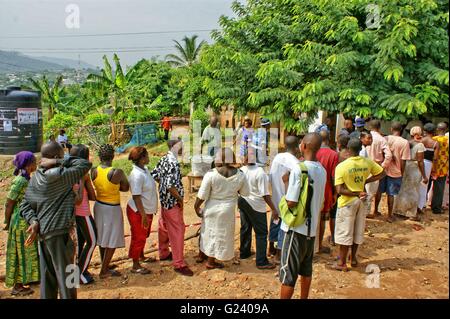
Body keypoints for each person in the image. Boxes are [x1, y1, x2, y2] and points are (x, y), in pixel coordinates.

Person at [20, 142, 92, 299]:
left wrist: (33, 221)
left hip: (44, 236)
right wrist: (58, 161)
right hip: (63, 234)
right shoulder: (62, 175)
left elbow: (24, 206)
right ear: (54, 158)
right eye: (60, 156)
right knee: (70, 279)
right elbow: (85, 163)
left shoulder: (35, 179)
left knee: (49, 280)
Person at [279, 133, 326, 299]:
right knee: (306, 270)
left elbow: (291, 201)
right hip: (311, 231)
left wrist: (286, 182)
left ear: (304, 146)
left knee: (288, 275)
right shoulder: (322, 170)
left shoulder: (299, 169)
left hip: (295, 229)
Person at [332, 139, 385, 272]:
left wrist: (355, 193)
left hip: (347, 201)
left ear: (348, 149)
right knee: (358, 230)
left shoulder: (342, 166)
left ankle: (342, 262)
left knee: (345, 231)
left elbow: (339, 190)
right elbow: (382, 173)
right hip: (362, 200)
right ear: (361, 148)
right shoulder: (367, 162)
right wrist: (367, 180)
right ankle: (353, 259)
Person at [194, 148, 250, 269]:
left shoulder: (211, 174)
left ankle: (205, 258)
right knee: (221, 235)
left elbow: (202, 195)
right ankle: (210, 259)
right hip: (227, 210)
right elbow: (245, 193)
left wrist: (196, 207)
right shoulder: (240, 175)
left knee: (207, 231)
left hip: (211, 208)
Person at [151, 139, 194, 276]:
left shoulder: (164, 158)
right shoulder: (173, 163)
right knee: (177, 231)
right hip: (172, 202)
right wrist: (180, 199)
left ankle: (163, 252)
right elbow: (170, 185)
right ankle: (179, 263)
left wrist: (162, 187)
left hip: (164, 200)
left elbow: (155, 175)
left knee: (164, 226)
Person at [3, 151, 39, 296]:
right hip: (20, 221)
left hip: (25, 219)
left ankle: (29, 279)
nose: (36, 164)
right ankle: (17, 286)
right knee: (21, 253)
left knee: (27, 252)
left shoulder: (26, 178)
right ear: (29, 165)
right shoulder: (21, 181)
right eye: (35, 161)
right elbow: (9, 203)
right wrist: (6, 221)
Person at [91, 144, 129, 279]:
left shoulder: (94, 171)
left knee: (102, 236)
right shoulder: (117, 172)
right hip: (112, 208)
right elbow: (125, 188)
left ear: (99, 157)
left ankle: (104, 264)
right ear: (112, 156)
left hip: (99, 206)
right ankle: (104, 271)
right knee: (112, 238)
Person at [238, 147, 277, 269]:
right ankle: (261, 261)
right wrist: (274, 209)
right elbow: (265, 194)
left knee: (246, 227)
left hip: (243, 201)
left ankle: (244, 253)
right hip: (256, 205)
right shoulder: (260, 172)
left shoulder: (241, 170)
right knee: (261, 233)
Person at [268, 136, 300, 262]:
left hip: (275, 198)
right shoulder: (295, 164)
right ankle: (278, 255)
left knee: (275, 221)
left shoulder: (277, 157)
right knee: (284, 228)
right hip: (287, 200)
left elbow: (270, 178)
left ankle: (271, 248)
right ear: (297, 147)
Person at [127, 147, 158, 275]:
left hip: (145, 210)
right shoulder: (136, 175)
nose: (148, 157)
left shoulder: (144, 170)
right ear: (142, 158)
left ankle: (141, 256)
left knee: (143, 235)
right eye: (146, 155)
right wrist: (143, 215)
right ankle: (135, 265)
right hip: (138, 211)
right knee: (138, 236)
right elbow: (136, 196)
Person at [71, 144, 97, 285]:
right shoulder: (83, 174)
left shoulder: (67, 172)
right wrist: (86, 181)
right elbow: (92, 196)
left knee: (78, 244)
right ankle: (79, 273)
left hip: (73, 215)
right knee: (92, 241)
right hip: (84, 213)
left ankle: (78, 271)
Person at [373, 122, 409, 223]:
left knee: (379, 190)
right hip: (395, 171)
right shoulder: (404, 142)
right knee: (391, 194)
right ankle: (389, 215)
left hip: (383, 168)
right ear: (401, 129)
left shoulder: (385, 139)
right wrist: (402, 172)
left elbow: (381, 154)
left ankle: (375, 210)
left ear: (391, 128)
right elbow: (403, 160)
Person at [393, 127, 428, 220]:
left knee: (403, 189)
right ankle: (411, 213)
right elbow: (420, 161)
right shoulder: (420, 145)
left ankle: (399, 211)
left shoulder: (407, 142)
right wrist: (424, 176)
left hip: (406, 166)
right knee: (414, 191)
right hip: (414, 168)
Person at [316, 129, 339, 254]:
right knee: (322, 220)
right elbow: (334, 176)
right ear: (329, 138)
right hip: (326, 190)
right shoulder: (334, 154)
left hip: (313, 189)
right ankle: (319, 245)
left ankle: (312, 245)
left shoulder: (313, 151)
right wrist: (335, 193)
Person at [366, 119, 392, 219]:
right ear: (379, 127)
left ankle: (366, 211)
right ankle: (367, 212)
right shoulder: (382, 139)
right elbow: (389, 155)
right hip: (375, 166)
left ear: (370, 127)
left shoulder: (364, 136)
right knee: (371, 191)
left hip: (363, 165)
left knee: (364, 189)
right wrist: (382, 167)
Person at [430, 122, 449, 214]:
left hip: (431, 167)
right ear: (446, 130)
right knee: (439, 189)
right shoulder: (448, 140)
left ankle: (422, 206)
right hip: (443, 168)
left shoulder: (433, 139)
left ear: (437, 129)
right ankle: (436, 208)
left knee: (426, 187)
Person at [421, 123, 439, 211]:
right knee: (425, 184)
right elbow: (435, 158)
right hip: (428, 164)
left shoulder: (421, 140)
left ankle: (416, 203)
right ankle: (422, 204)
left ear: (424, 131)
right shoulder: (435, 143)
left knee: (418, 183)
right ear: (434, 132)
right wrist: (434, 169)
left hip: (419, 163)